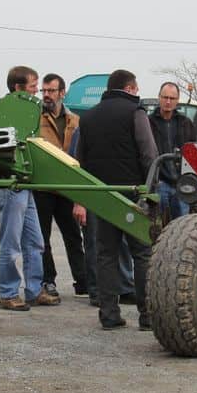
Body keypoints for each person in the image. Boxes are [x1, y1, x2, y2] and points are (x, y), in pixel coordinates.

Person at [73, 69, 158, 330]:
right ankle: (147, 316)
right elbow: (149, 153)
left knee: (106, 255)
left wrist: (86, 197)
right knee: (142, 254)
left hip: (102, 196)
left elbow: (81, 160)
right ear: (130, 88)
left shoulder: (87, 118)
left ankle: (109, 314)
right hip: (133, 194)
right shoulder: (136, 112)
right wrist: (150, 191)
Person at [0, 66, 58, 311]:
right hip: (10, 182)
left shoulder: (27, 110)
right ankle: (8, 293)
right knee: (11, 243)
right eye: (33, 86)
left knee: (35, 241)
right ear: (18, 88)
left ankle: (34, 289)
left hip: (25, 182)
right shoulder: (7, 110)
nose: (38, 91)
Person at [35, 73, 87, 299]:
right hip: (43, 187)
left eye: (51, 91)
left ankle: (83, 280)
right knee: (42, 238)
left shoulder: (75, 120)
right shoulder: (35, 118)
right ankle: (48, 280)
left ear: (62, 93)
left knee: (73, 236)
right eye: (43, 91)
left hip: (67, 187)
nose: (46, 95)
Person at [147, 81, 196, 221]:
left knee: (182, 226)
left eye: (172, 98)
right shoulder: (148, 123)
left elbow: (194, 152)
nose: (168, 101)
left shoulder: (186, 123)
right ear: (159, 97)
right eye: (165, 97)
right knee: (155, 224)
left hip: (182, 183)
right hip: (158, 183)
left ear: (177, 100)